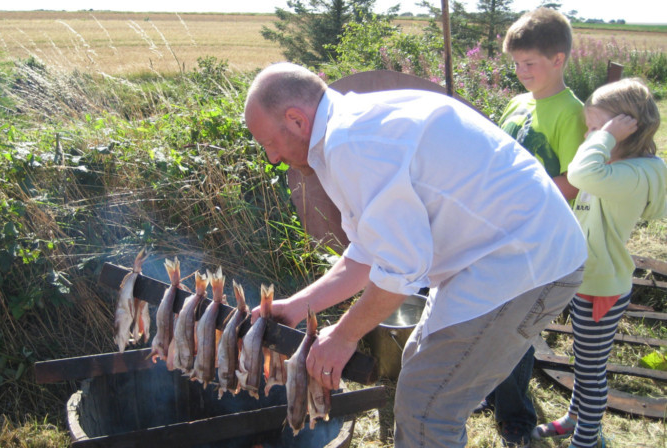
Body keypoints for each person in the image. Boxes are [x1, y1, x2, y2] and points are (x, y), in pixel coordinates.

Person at [244, 61, 587, 448]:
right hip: (492, 255)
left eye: (269, 143)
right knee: (421, 382)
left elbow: (402, 269)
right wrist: (299, 305)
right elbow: (371, 251)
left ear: (295, 120)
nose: (272, 157)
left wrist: (344, 335)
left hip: (524, 262)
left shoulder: (352, 143)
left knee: (428, 408)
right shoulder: (345, 131)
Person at [532, 78, 667, 448]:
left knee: (590, 373)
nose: (591, 136)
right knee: (583, 362)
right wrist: (605, 137)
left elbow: (579, 174)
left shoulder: (631, 174)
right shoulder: (617, 165)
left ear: (628, 127)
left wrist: (603, 137)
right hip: (589, 278)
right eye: (591, 128)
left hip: (601, 287)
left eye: (598, 128)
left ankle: (588, 440)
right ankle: (575, 419)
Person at [479, 8, 588, 447]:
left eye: (531, 64)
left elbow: (576, 182)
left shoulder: (570, 113)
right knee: (488, 314)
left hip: (536, 240)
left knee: (515, 326)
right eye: (516, 64)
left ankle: (516, 416)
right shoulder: (518, 103)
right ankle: (490, 390)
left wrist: (523, 201)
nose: (521, 73)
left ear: (558, 59)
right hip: (498, 231)